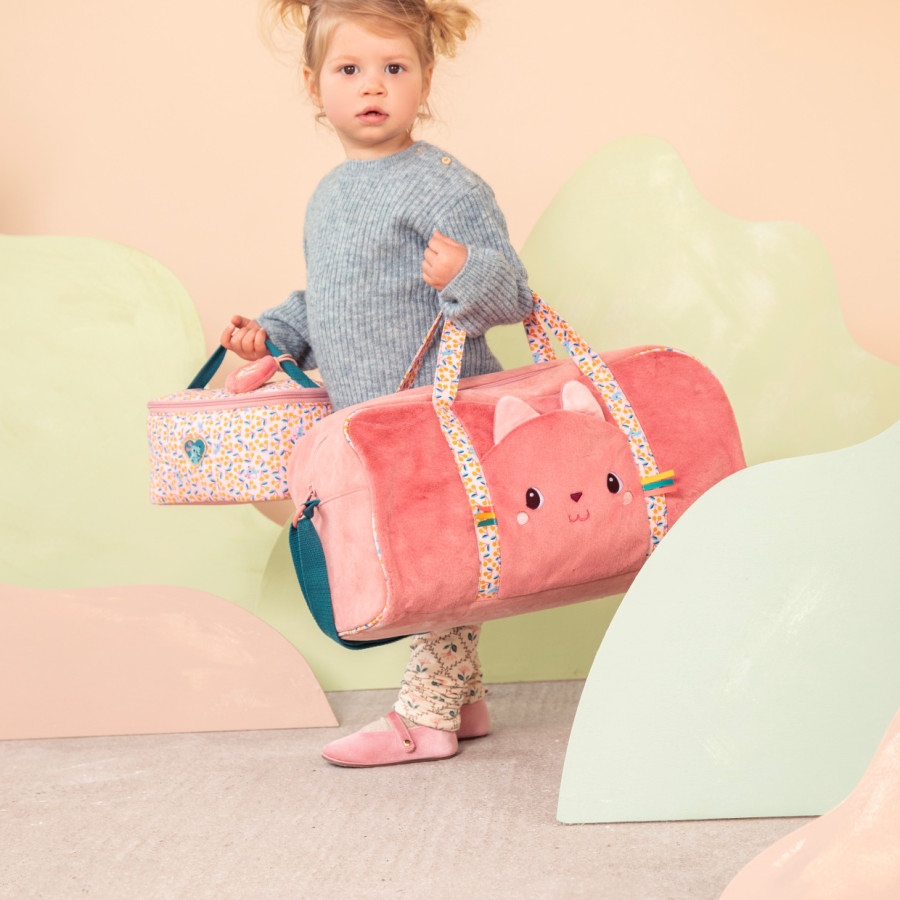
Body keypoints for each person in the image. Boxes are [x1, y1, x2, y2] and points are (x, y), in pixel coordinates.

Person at [221, 0, 533, 766]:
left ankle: (425, 718)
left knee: (436, 561)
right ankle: (463, 699)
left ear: (424, 77)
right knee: (416, 552)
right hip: (374, 424)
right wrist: (274, 333)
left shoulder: (446, 188)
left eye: (394, 67)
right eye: (350, 68)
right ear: (313, 84)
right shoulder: (330, 195)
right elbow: (331, 299)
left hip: (440, 415)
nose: (373, 85)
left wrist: (467, 272)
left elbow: (513, 293)